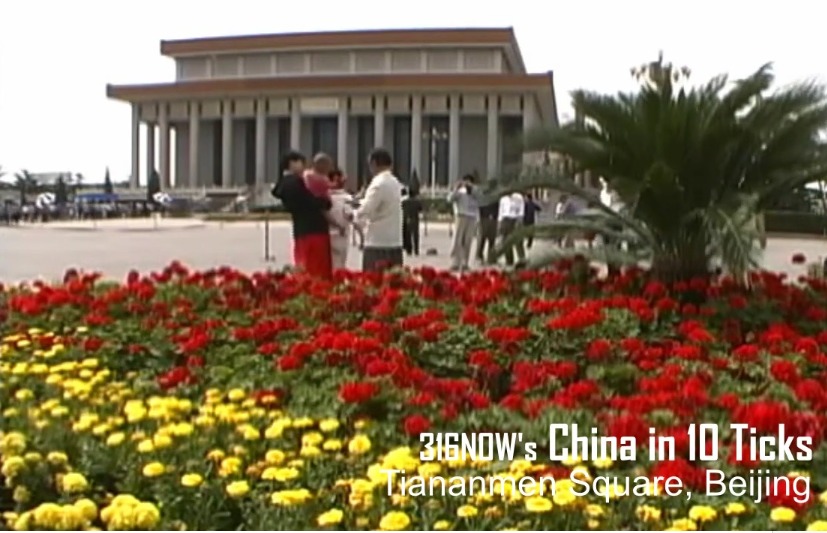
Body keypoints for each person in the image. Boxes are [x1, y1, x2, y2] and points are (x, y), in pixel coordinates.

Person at [272, 150, 333, 278]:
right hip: (313, 230)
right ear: (292, 163)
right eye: (301, 163)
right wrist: (324, 201)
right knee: (316, 270)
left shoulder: (285, 183)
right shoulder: (294, 182)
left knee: (304, 266)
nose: (303, 166)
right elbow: (309, 201)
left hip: (301, 230)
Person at [354, 148, 404, 272]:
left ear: (374, 163)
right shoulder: (395, 182)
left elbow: (366, 209)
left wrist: (353, 213)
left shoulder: (378, 183)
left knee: (373, 279)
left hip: (377, 242)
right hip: (395, 241)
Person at [327, 168, 364, 270]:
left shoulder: (325, 196)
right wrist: (362, 237)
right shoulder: (345, 198)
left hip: (326, 236)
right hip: (341, 236)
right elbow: (351, 218)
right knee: (339, 266)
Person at [447, 174, 481, 272]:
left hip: (472, 217)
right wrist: (456, 188)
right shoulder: (460, 192)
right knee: (457, 240)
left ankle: (465, 263)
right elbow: (450, 199)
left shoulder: (475, 192)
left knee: (468, 241)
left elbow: (480, 199)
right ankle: (455, 262)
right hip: (461, 216)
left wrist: (472, 189)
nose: (467, 184)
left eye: (469, 182)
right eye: (466, 182)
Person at [476, 197, 499, 264]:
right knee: (482, 238)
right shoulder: (483, 197)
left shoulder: (496, 198)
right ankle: (479, 256)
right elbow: (479, 208)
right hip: (484, 218)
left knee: (492, 239)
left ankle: (491, 258)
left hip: (494, 219)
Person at [402, 188, 422, 256]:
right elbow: (420, 209)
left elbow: (402, 210)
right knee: (416, 236)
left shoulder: (404, 202)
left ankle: (409, 250)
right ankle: (416, 250)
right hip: (415, 219)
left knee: (408, 236)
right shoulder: (417, 202)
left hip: (407, 220)